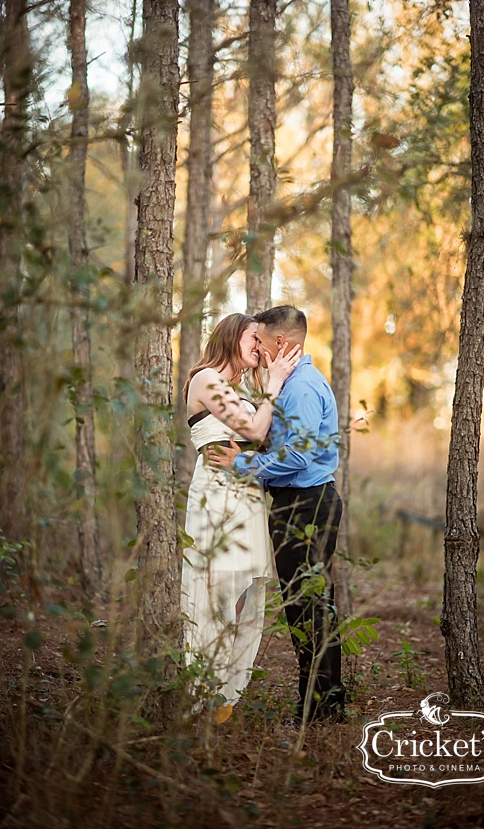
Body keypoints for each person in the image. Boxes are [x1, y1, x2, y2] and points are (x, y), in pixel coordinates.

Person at [209, 305, 347, 724]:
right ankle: (322, 707)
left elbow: (300, 456)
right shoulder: (290, 384)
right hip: (297, 504)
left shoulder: (302, 387)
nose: (257, 348)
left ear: (281, 343)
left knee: (308, 607)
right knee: (306, 605)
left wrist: (242, 466)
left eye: (261, 341)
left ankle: (321, 712)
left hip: (306, 506)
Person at [182, 313, 300, 720]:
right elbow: (253, 429)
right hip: (216, 499)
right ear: (232, 336)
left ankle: (226, 699)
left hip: (249, 498)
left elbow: (266, 435)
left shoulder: (240, 388)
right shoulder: (205, 379)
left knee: (245, 597)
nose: (259, 346)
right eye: (253, 337)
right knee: (215, 593)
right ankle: (202, 693)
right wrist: (274, 384)